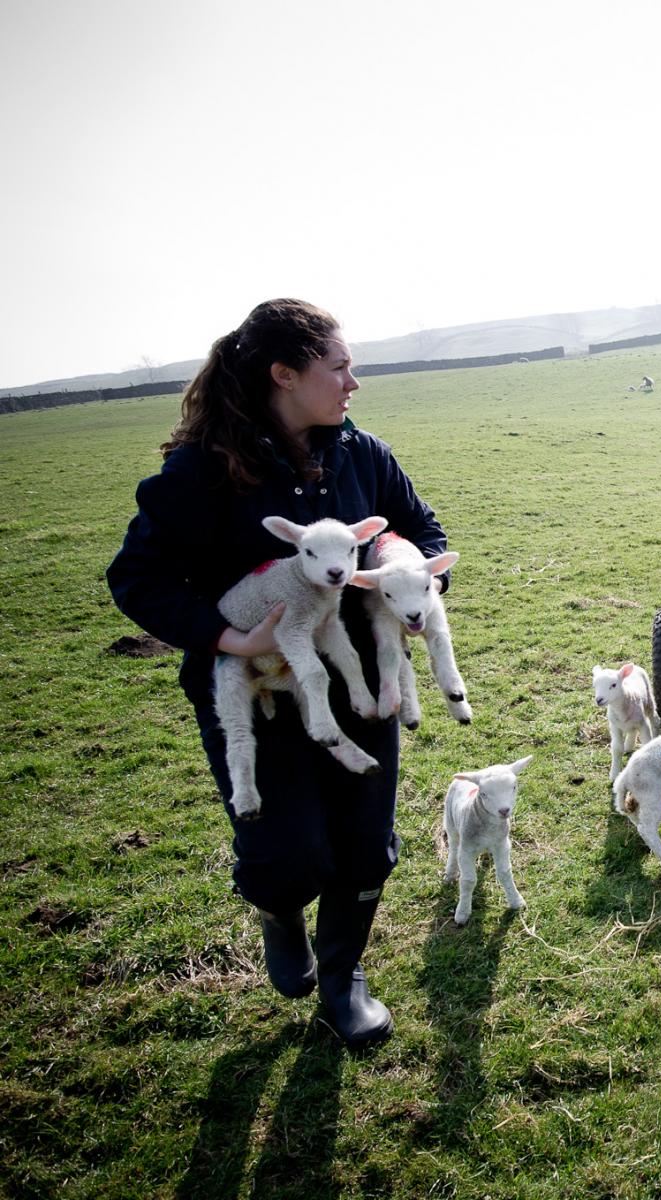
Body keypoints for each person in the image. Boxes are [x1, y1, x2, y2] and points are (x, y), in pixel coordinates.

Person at [107, 299, 450, 1049]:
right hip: (258, 692)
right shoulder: (200, 474)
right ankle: (278, 908)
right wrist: (228, 637)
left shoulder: (363, 455)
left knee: (365, 843)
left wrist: (404, 566)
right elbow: (137, 578)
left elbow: (420, 530)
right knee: (289, 853)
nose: (354, 382)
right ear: (284, 374)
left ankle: (342, 979)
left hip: (357, 682)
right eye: (339, 366)